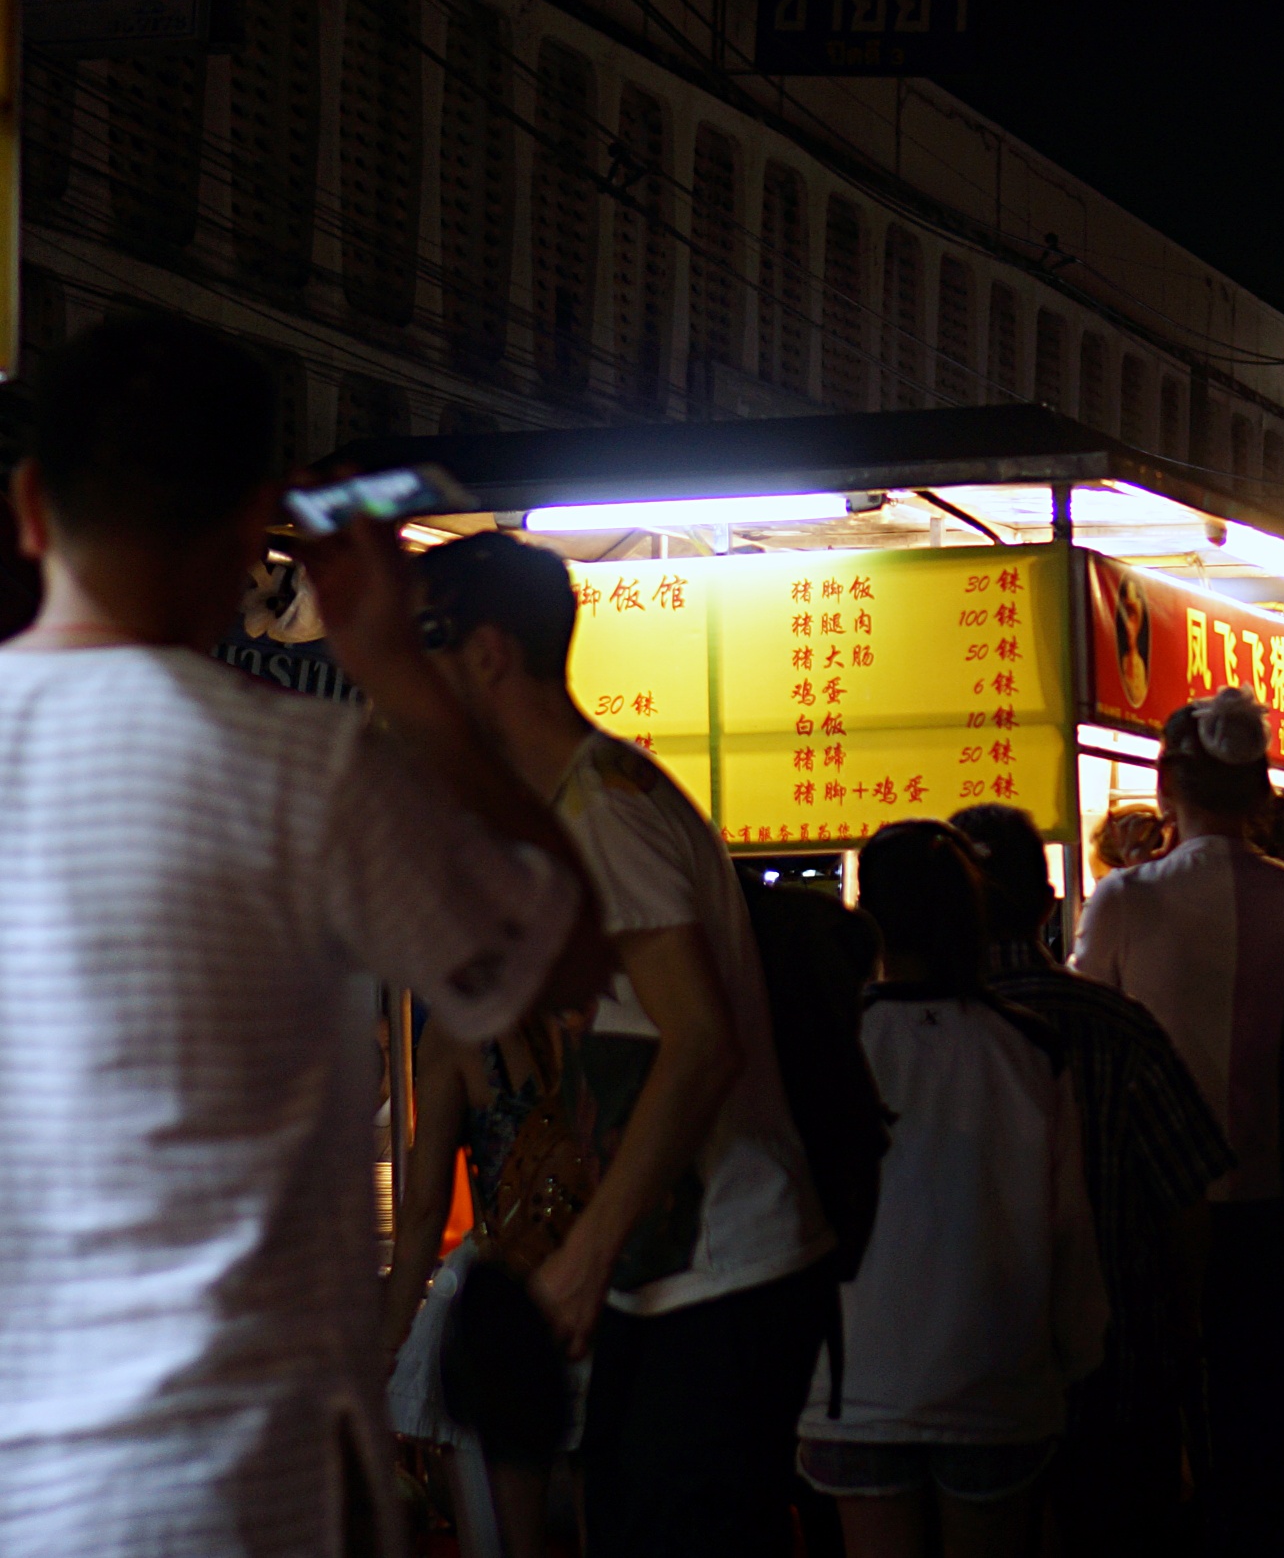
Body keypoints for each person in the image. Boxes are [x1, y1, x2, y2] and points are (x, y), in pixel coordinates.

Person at [0, 317, 603, 1556]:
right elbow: (564, 953)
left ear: (29, 507)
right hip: (255, 1486)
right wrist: (396, 670)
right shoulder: (309, 770)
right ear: (251, 535)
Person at [414, 532, 838, 1555]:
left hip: (719, 1273)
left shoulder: (602, 810)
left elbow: (701, 1042)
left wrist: (584, 1253)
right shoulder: (570, 807)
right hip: (678, 1275)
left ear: (487, 653)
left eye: (419, 638)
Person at [1072, 687, 1284, 1558]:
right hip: (1276, 1201)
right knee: (1256, 1422)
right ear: (1261, 793)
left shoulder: (1125, 899)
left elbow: (1087, 1037)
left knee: (1161, 1423)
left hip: (1153, 1207)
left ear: (1166, 789)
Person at [798, 821, 1106, 1558]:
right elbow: (1069, 1227)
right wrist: (1076, 1356)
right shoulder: (1027, 1048)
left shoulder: (831, 1041)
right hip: (996, 1379)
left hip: (855, 1383)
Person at [950, 803, 1235, 1557]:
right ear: (1049, 906)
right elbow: (1187, 1201)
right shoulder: (1119, 1026)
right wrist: (1181, 1335)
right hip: (1119, 1370)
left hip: (960, 1378)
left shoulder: (903, 1035)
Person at [381, 1003, 589, 1554]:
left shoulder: (459, 1032)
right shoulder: (605, 1005)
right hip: (601, 1274)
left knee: (508, 1530)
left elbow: (425, 1210)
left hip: (506, 1286)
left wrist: (388, 1342)